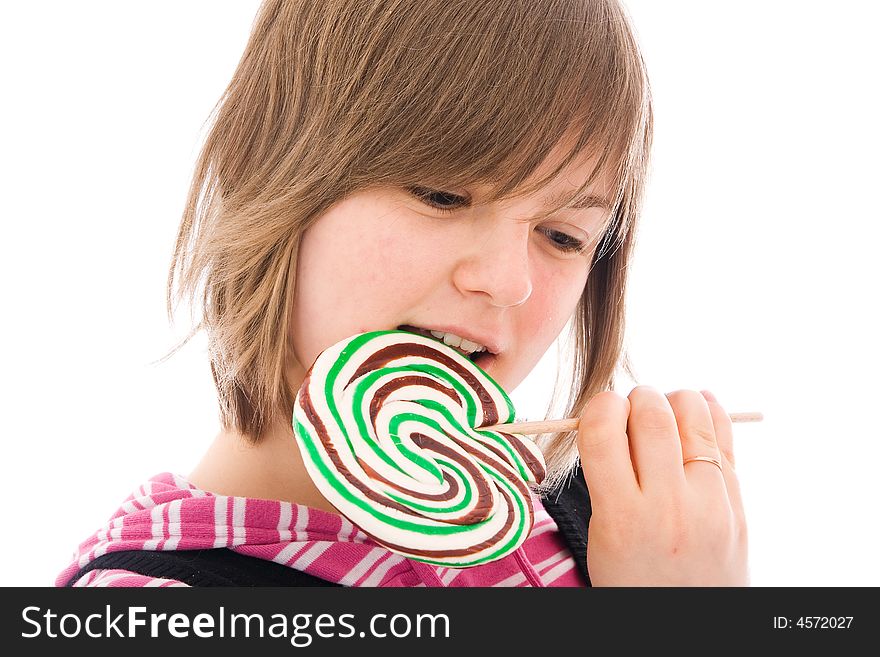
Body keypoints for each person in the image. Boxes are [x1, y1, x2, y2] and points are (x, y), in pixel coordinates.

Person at [56, 0, 748, 587]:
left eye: (564, 237)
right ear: (266, 169)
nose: (509, 281)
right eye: (443, 194)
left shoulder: (626, 530)